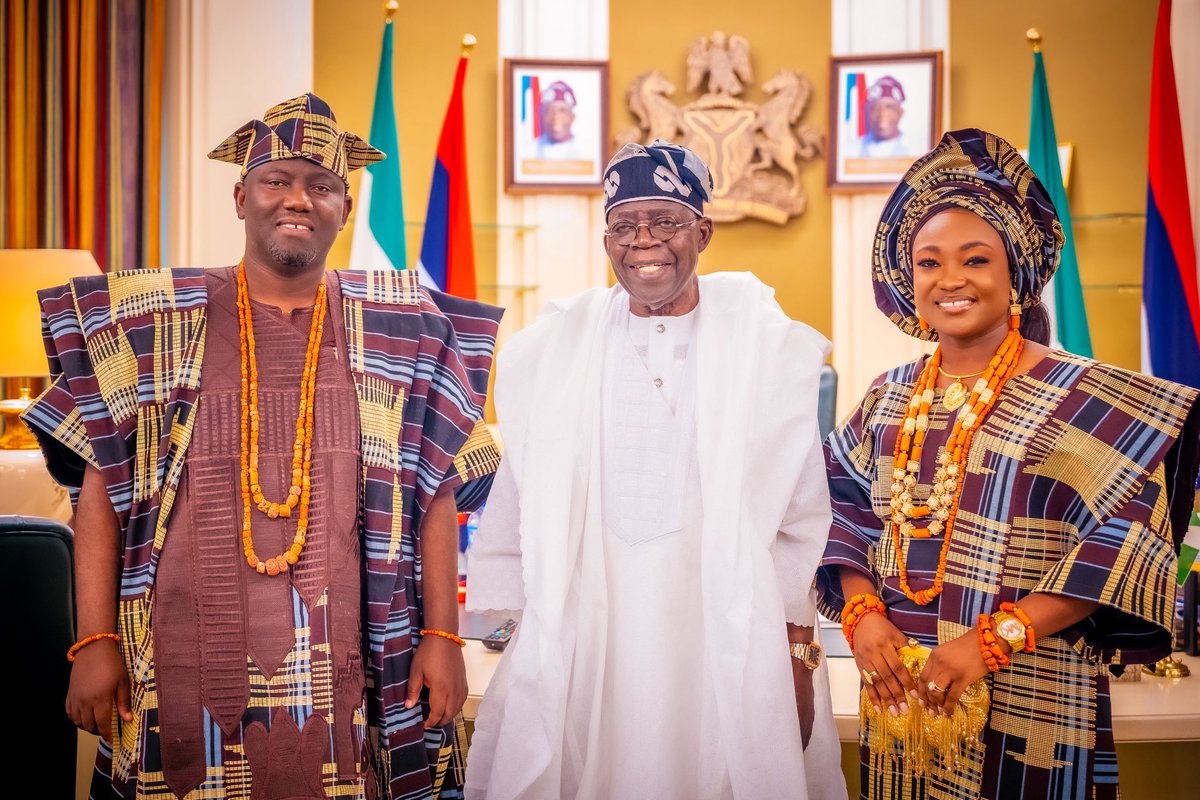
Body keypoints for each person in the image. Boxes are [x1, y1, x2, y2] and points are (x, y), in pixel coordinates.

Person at [22, 93, 502, 800]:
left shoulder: (402, 327)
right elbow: (99, 492)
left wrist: (443, 636)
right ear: (242, 197)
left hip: (358, 664)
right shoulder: (149, 322)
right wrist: (94, 641)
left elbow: (436, 492)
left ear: (345, 207)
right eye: (277, 180)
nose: (298, 199)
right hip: (179, 655)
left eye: (322, 185)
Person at [817, 128, 1200, 800]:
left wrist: (990, 643)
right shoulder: (887, 397)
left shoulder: (1084, 396)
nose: (950, 280)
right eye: (929, 262)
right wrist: (862, 613)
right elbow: (837, 507)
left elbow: (1122, 545)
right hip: (904, 698)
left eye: (975, 259)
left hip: (1037, 695)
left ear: (1015, 273)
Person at [464, 140, 845, 799]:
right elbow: (524, 499)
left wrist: (797, 653)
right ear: (605, 239)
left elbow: (801, 518)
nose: (643, 241)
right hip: (591, 638)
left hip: (725, 636)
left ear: (704, 231)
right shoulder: (553, 348)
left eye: (665, 221)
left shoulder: (767, 348)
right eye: (623, 225)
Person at [855, 75, 913, 158]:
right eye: (875, 108)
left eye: (889, 107)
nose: (882, 114)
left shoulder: (916, 148)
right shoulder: (852, 149)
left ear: (900, 112)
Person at [532, 80, 582, 159]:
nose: (555, 117)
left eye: (562, 111)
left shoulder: (587, 151)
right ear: (542, 116)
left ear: (572, 117)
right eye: (549, 111)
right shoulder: (528, 150)